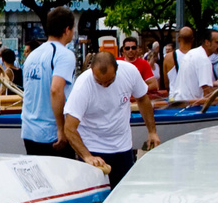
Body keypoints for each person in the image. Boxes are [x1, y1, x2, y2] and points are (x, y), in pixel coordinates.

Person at [62, 51, 160, 188]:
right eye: (99, 82)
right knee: (91, 200)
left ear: (117, 70)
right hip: (93, 145)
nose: (103, 85)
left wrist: (152, 131)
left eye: (108, 81)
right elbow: (69, 128)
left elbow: (143, 98)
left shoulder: (130, 72)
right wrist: (87, 156)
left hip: (123, 145)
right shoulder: (83, 85)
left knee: (123, 192)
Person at [20, 6, 80, 158]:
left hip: (29, 131)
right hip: (51, 134)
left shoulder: (32, 55)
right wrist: (61, 128)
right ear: (67, 30)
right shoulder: (64, 55)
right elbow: (56, 89)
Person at [165, 26, 215, 104]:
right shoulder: (196, 55)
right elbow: (203, 86)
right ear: (193, 40)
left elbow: (166, 83)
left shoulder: (168, 57)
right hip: (192, 101)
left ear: (178, 39)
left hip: (174, 98)